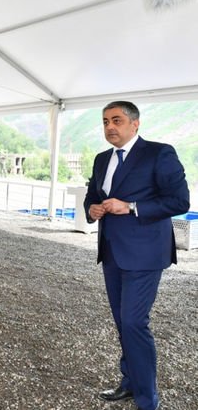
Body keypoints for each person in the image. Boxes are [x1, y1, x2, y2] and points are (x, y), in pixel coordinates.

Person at [84, 101, 189, 410]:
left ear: (135, 123)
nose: (109, 127)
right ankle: (130, 382)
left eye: (116, 120)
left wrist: (130, 207)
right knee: (122, 323)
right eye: (105, 121)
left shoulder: (159, 153)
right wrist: (91, 209)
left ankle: (147, 400)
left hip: (145, 255)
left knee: (133, 323)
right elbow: (93, 196)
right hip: (111, 253)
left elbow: (179, 201)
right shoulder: (102, 159)